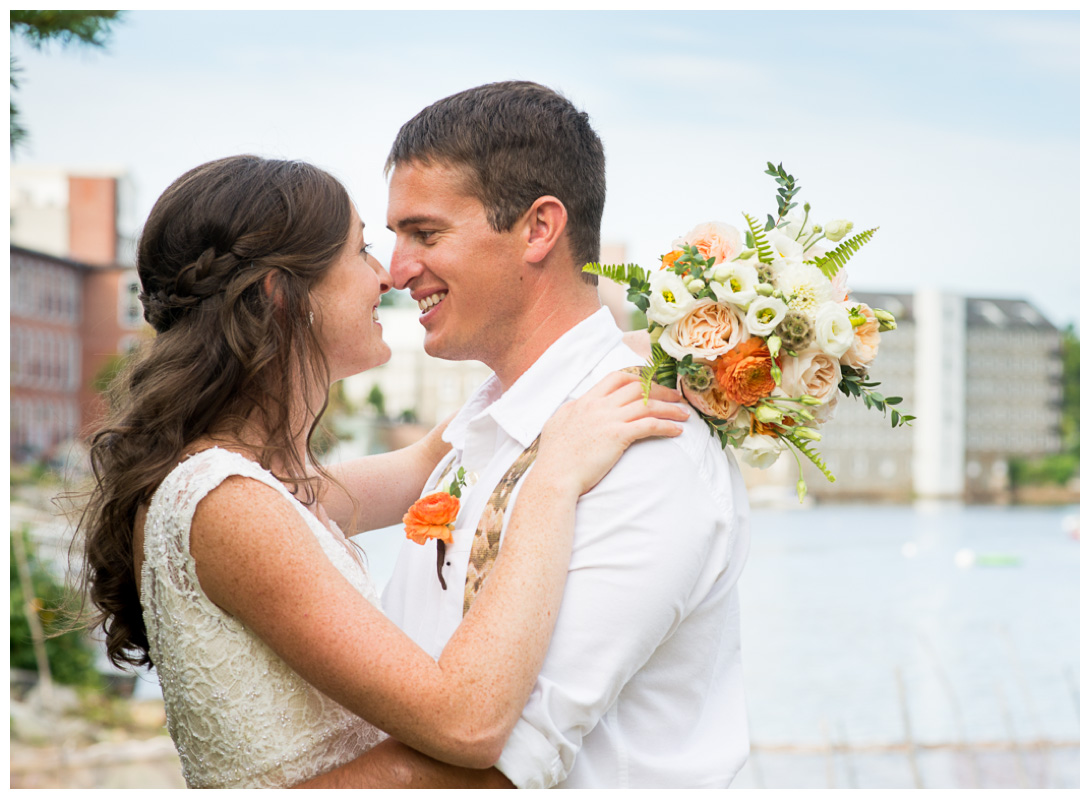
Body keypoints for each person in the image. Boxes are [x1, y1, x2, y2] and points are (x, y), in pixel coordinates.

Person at [74, 154, 690, 788]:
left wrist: (692, 347)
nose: (388, 275)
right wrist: (554, 481)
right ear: (280, 295)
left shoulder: (244, 487)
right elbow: (467, 724)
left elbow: (433, 456)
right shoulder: (230, 505)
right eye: (361, 250)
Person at [381, 81, 752, 789]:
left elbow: (505, 766)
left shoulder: (647, 446)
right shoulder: (483, 423)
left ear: (538, 229)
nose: (397, 271)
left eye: (424, 234)